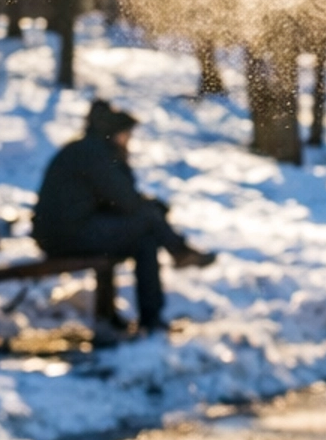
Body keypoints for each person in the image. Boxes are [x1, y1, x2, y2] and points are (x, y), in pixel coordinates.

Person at [33, 99, 212, 333]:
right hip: (68, 236)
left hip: (65, 233)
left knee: (145, 240)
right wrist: (151, 206)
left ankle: (142, 318)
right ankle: (178, 253)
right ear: (115, 133)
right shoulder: (97, 153)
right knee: (148, 220)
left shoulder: (86, 149)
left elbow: (114, 202)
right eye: (127, 135)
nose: (129, 140)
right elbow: (125, 201)